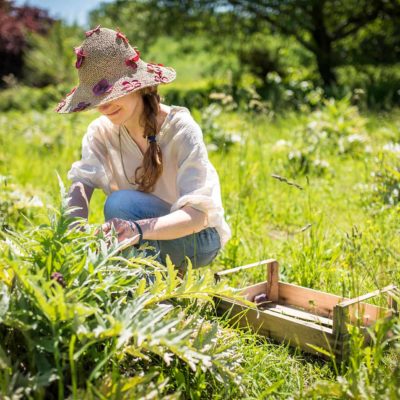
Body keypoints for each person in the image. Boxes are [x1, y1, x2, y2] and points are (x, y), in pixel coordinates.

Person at [55, 27, 231, 271]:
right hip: (142, 235)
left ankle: (146, 292)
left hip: (197, 239)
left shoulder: (181, 128)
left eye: (112, 94)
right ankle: (144, 286)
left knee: (120, 204)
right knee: (117, 217)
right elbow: (81, 184)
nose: (104, 107)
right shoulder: (101, 132)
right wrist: (71, 234)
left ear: (139, 87)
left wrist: (137, 230)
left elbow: (198, 215)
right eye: (97, 100)